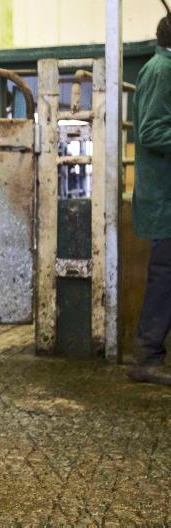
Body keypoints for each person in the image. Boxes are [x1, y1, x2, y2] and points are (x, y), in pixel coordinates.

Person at [129, 9, 171, 385]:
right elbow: (152, 131)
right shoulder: (162, 71)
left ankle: (149, 355)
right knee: (165, 274)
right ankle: (146, 357)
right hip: (164, 196)